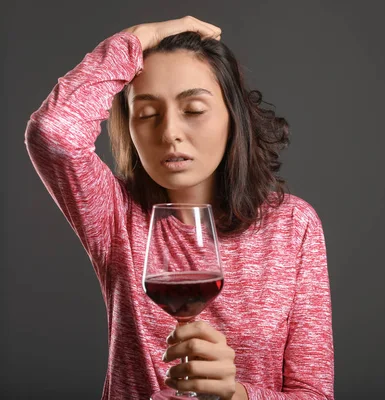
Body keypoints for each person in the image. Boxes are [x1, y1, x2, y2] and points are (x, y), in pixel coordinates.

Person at [25, 16, 334, 400]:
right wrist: (137, 39)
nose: (169, 131)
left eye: (193, 109)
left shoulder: (292, 226)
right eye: (148, 114)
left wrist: (236, 395)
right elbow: (53, 133)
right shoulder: (115, 214)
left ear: (232, 119)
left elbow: (314, 394)